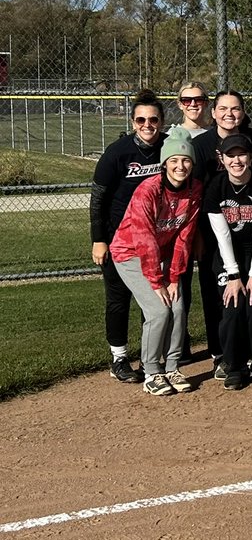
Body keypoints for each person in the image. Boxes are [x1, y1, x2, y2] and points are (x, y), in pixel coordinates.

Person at [108, 127, 203, 396]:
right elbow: (144, 239)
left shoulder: (194, 189)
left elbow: (184, 236)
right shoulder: (148, 190)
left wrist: (174, 278)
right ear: (164, 163)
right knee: (159, 310)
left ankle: (172, 367)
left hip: (163, 254)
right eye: (174, 160)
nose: (180, 166)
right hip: (130, 253)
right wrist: (157, 282)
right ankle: (151, 372)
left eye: (186, 160)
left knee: (178, 307)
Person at [190, 90, 252, 378]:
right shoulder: (202, 146)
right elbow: (195, 195)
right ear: (213, 113)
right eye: (223, 108)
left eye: (235, 108)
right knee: (223, 298)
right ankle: (223, 356)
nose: (229, 114)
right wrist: (197, 236)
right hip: (215, 233)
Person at [89, 90, 167, 383]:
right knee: (118, 298)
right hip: (119, 239)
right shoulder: (118, 152)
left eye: (153, 119)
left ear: (161, 121)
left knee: (153, 300)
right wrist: (99, 239)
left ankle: (150, 358)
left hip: (155, 238)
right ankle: (119, 358)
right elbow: (98, 199)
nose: (148, 125)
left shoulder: (167, 147)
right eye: (141, 120)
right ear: (133, 122)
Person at [204, 132, 252, 390]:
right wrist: (234, 275)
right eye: (230, 155)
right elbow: (222, 235)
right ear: (221, 159)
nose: (236, 161)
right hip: (228, 254)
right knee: (233, 306)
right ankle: (234, 366)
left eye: (242, 155)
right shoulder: (215, 187)